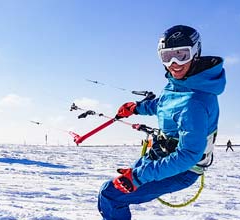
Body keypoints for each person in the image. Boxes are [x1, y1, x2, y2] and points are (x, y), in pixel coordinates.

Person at [97, 25, 226, 219]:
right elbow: (165, 104)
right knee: (113, 190)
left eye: (181, 55)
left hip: (181, 169)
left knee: (111, 195)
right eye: (167, 57)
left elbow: (188, 155)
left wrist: (138, 177)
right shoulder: (181, 83)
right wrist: (137, 107)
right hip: (160, 155)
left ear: (196, 52)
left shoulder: (195, 102)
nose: (174, 63)